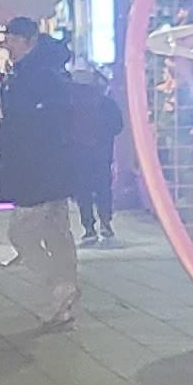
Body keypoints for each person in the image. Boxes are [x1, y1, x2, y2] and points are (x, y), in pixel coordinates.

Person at [0, 16, 85, 331]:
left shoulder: (37, 76)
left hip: (37, 167)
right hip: (50, 166)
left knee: (22, 233)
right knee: (57, 233)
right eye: (8, 39)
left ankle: (60, 287)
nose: (9, 45)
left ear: (30, 40)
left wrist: (9, 125)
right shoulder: (37, 72)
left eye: (15, 40)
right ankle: (63, 299)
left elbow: (42, 121)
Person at [67, 56, 123, 247]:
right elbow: (118, 126)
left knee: (83, 191)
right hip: (101, 153)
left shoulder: (70, 104)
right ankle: (105, 223)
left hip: (79, 154)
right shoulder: (105, 103)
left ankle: (89, 228)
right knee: (102, 189)